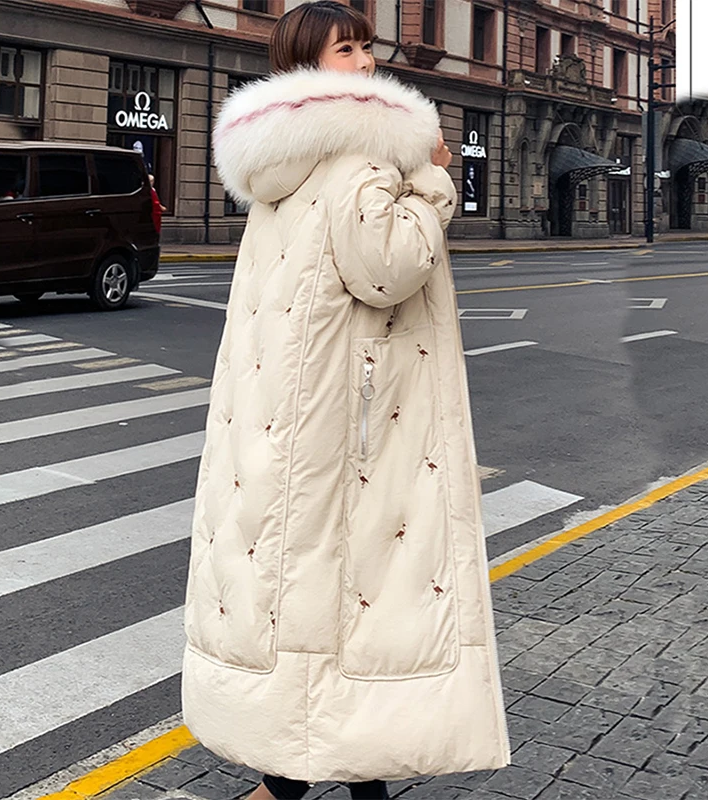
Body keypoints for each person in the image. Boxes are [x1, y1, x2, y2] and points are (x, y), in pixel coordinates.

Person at [181, 3, 510, 799]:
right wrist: (433, 179)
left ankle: (286, 786)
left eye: (366, 46)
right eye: (346, 49)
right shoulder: (360, 154)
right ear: (307, 63)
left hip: (287, 414)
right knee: (359, 601)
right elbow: (389, 267)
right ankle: (291, 788)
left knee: (312, 600)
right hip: (357, 421)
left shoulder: (280, 164)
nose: (365, 62)